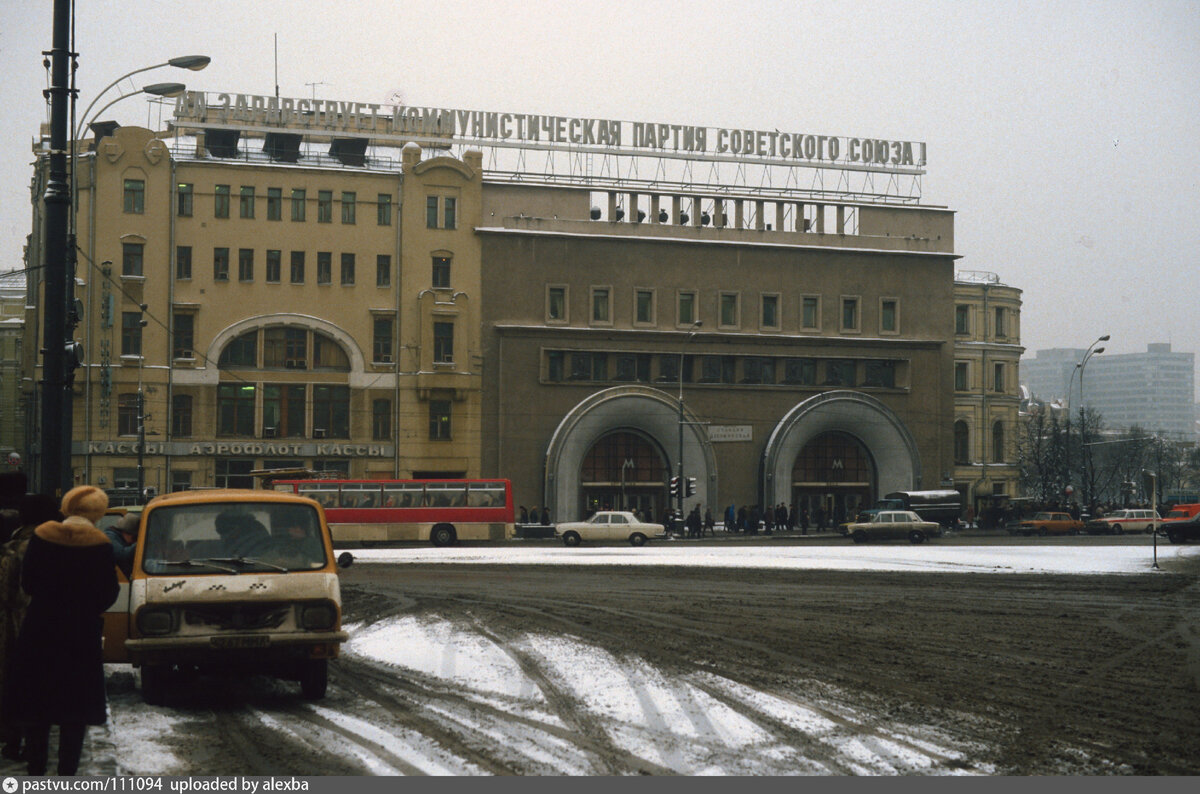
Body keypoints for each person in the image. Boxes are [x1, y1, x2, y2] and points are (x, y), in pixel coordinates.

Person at [5, 486, 119, 776]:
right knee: (74, 710)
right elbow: (108, 592)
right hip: (80, 633)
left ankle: (36, 767)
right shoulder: (101, 544)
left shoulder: (43, 537)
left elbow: (28, 583)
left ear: (66, 507)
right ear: (98, 512)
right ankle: (67, 773)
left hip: (40, 628)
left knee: (36, 703)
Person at [0, 494, 61, 762]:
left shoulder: (14, 549)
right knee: (42, 686)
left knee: (15, 683)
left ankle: (15, 741)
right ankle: (38, 746)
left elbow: (8, 595)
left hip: (16, 628)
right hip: (53, 627)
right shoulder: (61, 546)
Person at [103, 512, 139, 578]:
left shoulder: (118, 538)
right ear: (127, 533)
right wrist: (138, 544)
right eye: (134, 538)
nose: (133, 541)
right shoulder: (110, 537)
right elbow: (121, 555)